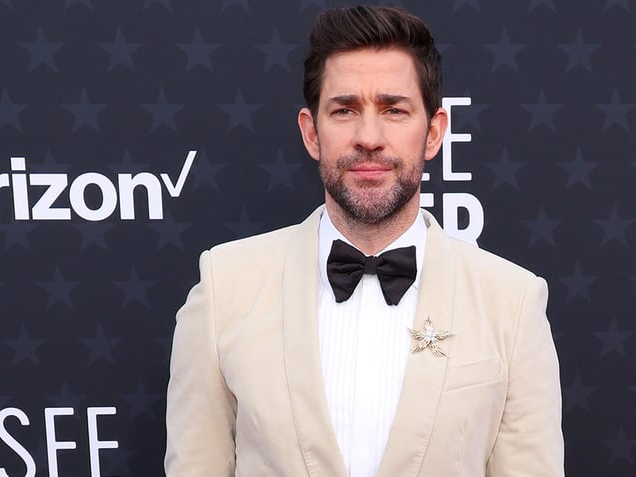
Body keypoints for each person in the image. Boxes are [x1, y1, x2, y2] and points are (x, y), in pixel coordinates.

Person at [165, 5, 563, 476]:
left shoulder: (512, 303)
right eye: (344, 110)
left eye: (394, 110)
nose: (369, 137)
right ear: (312, 133)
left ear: (433, 133)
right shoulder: (224, 289)